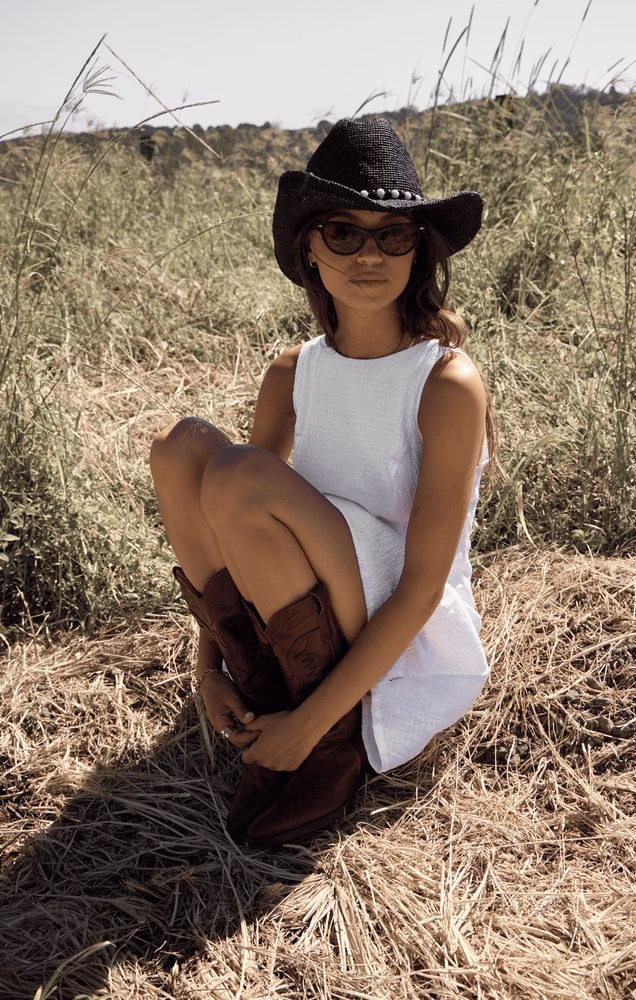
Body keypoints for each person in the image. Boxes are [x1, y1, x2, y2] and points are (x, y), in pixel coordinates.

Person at [149, 117, 498, 848]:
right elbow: (227, 522)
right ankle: (259, 684)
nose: (369, 255)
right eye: (344, 233)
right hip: (311, 582)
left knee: (241, 472)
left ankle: (328, 736)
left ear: (417, 249)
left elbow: (423, 586)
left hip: (398, 614)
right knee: (182, 450)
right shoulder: (293, 371)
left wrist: (310, 727)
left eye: (392, 235)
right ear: (309, 247)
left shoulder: (444, 382)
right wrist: (208, 667)